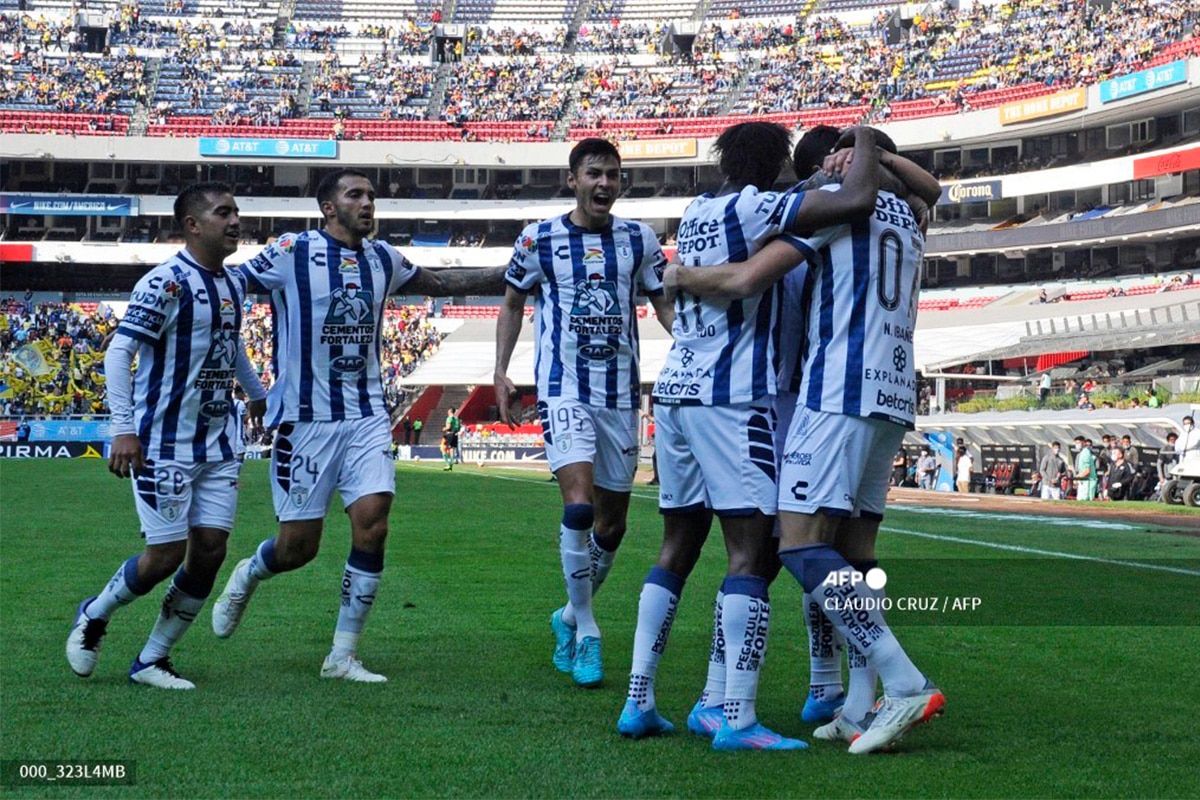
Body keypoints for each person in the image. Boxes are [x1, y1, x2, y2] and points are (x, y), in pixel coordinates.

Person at [622, 122, 940, 751]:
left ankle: (898, 683)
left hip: (821, 391)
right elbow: (932, 188)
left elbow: (745, 280)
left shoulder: (811, 211)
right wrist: (872, 148)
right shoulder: (912, 213)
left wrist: (681, 278)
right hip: (892, 392)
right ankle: (853, 701)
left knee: (790, 547)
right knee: (854, 554)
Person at [211, 169, 505, 683]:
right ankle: (248, 574)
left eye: (371, 195)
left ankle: (342, 655)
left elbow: (439, 283)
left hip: (367, 415)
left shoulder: (384, 259)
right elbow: (227, 285)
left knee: (374, 521)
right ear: (328, 207)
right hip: (305, 421)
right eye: (356, 195)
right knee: (296, 549)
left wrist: (515, 271)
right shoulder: (290, 253)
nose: (369, 203)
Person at [65, 182, 267, 690]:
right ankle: (95, 613)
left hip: (219, 443)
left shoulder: (234, 283)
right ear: (193, 225)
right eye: (224, 213)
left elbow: (231, 346)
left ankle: (152, 658)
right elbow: (118, 353)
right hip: (163, 443)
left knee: (212, 551)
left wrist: (257, 393)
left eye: (237, 212)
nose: (236, 221)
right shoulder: (165, 283)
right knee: (164, 556)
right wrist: (123, 429)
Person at [494, 138, 674, 689]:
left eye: (613, 175)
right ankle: (589, 630)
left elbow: (663, 298)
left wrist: (692, 346)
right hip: (562, 389)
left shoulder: (639, 239)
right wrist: (501, 370)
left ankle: (567, 615)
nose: (604, 184)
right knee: (578, 506)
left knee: (613, 526)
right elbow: (511, 302)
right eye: (594, 173)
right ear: (572, 179)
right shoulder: (538, 238)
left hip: (619, 395)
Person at [1073, 436, 1098, 501]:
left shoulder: (1085, 453)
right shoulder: (1082, 453)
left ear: (1084, 443)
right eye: (1076, 443)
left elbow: (1087, 471)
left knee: (1085, 502)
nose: (1077, 444)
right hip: (1083, 481)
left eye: (1078, 442)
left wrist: (1076, 478)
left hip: (1088, 482)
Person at [232, 385, 249, 462]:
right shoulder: (240, 403)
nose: (244, 396)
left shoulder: (230, 402)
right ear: (239, 393)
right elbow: (245, 419)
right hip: (239, 436)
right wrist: (251, 411)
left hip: (231, 436)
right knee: (239, 461)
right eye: (243, 393)